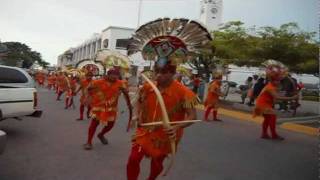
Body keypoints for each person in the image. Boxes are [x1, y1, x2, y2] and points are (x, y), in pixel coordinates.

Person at [126, 62, 198, 180]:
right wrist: (137, 115)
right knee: (133, 159)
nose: (158, 75)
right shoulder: (147, 87)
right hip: (144, 131)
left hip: (165, 136)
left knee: (157, 164)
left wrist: (176, 127)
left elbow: (192, 116)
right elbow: (139, 101)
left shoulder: (185, 92)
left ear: (173, 74)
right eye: (156, 71)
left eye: (163, 72)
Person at [83, 68, 131, 150]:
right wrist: (87, 98)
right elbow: (88, 89)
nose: (114, 77)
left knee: (110, 125)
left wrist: (129, 103)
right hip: (99, 107)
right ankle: (89, 142)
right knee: (94, 124)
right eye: (112, 75)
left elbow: (126, 94)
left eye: (116, 75)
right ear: (108, 75)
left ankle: (101, 135)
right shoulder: (98, 82)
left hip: (111, 108)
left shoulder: (121, 83)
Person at [253, 61, 298, 140]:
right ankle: (274, 135)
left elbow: (276, 97)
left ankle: (264, 134)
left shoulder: (272, 86)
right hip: (263, 104)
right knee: (272, 117)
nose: (278, 82)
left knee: (268, 119)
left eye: (279, 80)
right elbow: (277, 97)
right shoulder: (270, 87)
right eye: (276, 80)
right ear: (272, 80)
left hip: (263, 104)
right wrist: (292, 98)